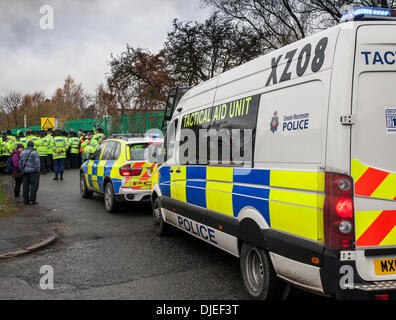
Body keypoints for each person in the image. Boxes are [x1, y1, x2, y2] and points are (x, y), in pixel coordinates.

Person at [19, 141, 40, 205]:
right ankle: (32, 200)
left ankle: (25, 200)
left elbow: (20, 163)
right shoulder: (34, 153)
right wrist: (38, 170)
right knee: (34, 186)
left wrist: (22, 169)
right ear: (33, 146)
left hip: (25, 172)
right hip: (33, 172)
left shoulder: (22, 153)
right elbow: (37, 163)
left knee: (25, 186)